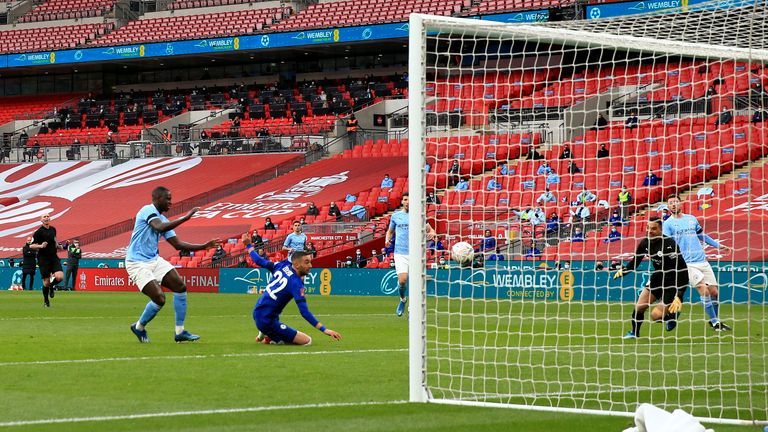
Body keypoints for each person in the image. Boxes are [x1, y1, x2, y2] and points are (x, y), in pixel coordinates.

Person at [127, 186, 221, 343]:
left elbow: (177, 244)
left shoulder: (164, 220)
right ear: (158, 199)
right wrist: (186, 218)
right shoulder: (147, 210)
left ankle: (180, 332)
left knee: (180, 287)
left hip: (153, 260)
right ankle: (139, 327)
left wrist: (203, 247)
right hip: (136, 262)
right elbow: (159, 227)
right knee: (159, 298)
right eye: (168, 199)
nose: (171, 202)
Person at [243, 234, 342, 345]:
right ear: (296, 264)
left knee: (279, 330)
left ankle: (267, 334)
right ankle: (269, 335)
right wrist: (325, 330)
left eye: (310, 261)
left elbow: (259, 261)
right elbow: (304, 312)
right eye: (307, 262)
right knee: (307, 341)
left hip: (258, 311)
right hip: (267, 320)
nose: (311, 265)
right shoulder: (296, 283)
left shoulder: (282, 265)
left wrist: (248, 245)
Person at [663, 194, 732, 331]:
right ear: (668, 206)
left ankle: (714, 321)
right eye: (671, 203)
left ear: (681, 203)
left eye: (676, 202)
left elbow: (702, 236)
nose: (674, 204)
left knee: (714, 292)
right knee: (704, 290)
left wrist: (718, 245)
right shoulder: (667, 224)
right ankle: (715, 323)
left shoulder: (691, 219)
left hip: (702, 260)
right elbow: (666, 243)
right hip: (686, 264)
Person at [614, 217, 688, 338]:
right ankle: (634, 333)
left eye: (653, 228)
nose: (649, 231)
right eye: (648, 228)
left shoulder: (669, 244)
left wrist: (679, 295)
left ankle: (672, 315)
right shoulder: (645, 242)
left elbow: (682, 269)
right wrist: (625, 271)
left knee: (655, 316)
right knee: (639, 307)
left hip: (672, 281)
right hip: (657, 278)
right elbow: (635, 261)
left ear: (660, 229)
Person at [385, 193, 435, 316]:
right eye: (406, 200)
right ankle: (403, 299)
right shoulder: (396, 216)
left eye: (410, 200)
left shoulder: (419, 215)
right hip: (400, 253)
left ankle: (411, 310)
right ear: (402, 201)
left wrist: (432, 233)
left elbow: (431, 230)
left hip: (416, 254)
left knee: (416, 283)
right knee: (402, 281)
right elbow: (390, 232)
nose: (408, 202)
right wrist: (387, 239)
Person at [30, 214, 65, 307]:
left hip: (53, 257)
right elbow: (31, 245)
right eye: (44, 217)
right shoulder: (38, 232)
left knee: (60, 277)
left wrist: (59, 246)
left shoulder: (53, 229)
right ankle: (46, 301)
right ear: (41, 220)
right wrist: (41, 246)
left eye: (47, 216)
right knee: (46, 282)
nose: (46, 217)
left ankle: (51, 286)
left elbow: (54, 241)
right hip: (43, 258)